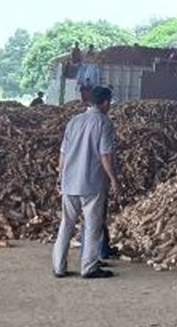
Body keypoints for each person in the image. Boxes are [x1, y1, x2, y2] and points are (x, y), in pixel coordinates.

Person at [52, 86, 118, 279]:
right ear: (105, 102)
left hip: (70, 181)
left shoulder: (74, 121)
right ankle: (89, 267)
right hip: (92, 183)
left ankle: (58, 266)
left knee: (66, 224)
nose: (110, 106)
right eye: (109, 102)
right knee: (92, 225)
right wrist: (114, 179)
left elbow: (63, 153)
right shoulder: (104, 122)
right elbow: (105, 155)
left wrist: (60, 177)